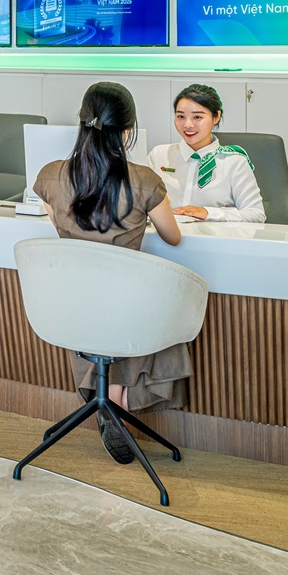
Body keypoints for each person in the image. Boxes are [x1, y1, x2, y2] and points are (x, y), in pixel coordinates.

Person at [32, 81, 185, 465]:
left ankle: (110, 400)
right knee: (160, 304)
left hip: (72, 309)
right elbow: (173, 237)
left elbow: (61, 227)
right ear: (128, 130)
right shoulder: (144, 180)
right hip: (126, 312)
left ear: (82, 122)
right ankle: (117, 401)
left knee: (113, 308)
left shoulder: (50, 177)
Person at [147, 84, 265, 223]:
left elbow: (256, 214)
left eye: (197, 117)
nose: (187, 125)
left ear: (216, 117)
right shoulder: (159, 155)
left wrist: (209, 213)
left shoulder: (234, 162)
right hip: (164, 234)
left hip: (214, 236)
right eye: (180, 116)